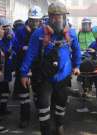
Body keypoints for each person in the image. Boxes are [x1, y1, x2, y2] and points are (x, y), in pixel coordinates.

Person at [20, 2, 81, 135]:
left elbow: (77, 50)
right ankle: (45, 131)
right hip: (45, 76)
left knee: (61, 103)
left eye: (60, 16)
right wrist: (24, 73)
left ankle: (59, 125)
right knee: (43, 105)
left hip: (63, 76)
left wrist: (77, 65)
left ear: (65, 17)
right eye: (54, 16)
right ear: (49, 17)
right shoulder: (39, 33)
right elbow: (30, 54)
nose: (57, 19)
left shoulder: (71, 33)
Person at [14, 5, 43, 128]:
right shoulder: (20, 31)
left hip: (37, 67)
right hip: (23, 66)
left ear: (40, 20)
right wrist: (22, 48)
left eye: (37, 20)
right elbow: (15, 47)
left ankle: (40, 115)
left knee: (39, 93)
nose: (35, 22)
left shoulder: (43, 31)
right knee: (24, 96)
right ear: (28, 18)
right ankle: (24, 118)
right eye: (32, 20)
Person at [0, 17, 18, 115]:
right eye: (4, 27)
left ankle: (3, 108)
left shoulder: (11, 36)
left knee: (5, 90)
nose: (6, 29)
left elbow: (16, 47)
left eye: (8, 27)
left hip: (7, 68)